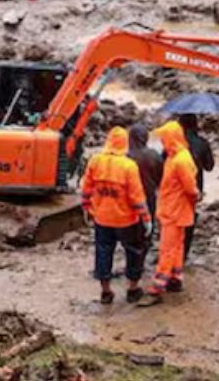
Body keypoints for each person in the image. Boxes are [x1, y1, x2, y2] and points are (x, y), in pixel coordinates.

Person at [82, 127, 153, 305]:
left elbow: (86, 189)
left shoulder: (95, 161)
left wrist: (87, 209)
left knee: (103, 252)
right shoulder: (128, 166)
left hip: (102, 218)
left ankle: (106, 292)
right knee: (134, 252)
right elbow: (137, 197)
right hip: (126, 220)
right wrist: (146, 218)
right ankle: (132, 289)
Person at [140, 121, 198, 306]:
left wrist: (196, 196)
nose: (163, 143)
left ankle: (158, 287)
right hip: (175, 209)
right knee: (177, 246)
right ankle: (175, 278)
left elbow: (190, 188)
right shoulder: (177, 156)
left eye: (164, 139)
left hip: (174, 211)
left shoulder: (180, 160)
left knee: (167, 249)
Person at [177, 114, 215, 258]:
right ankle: (184, 252)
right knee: (189, 217)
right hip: (195, 188)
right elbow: (209, 166)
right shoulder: (202, 143)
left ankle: (173, 249)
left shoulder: (174, 143)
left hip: (175, 188)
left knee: (174, 219)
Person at [127, 123, 164, 222]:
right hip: (149, 195)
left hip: (128, 198)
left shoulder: (125, 157)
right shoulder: (154, 155)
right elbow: (161, 179)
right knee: (148, 225)